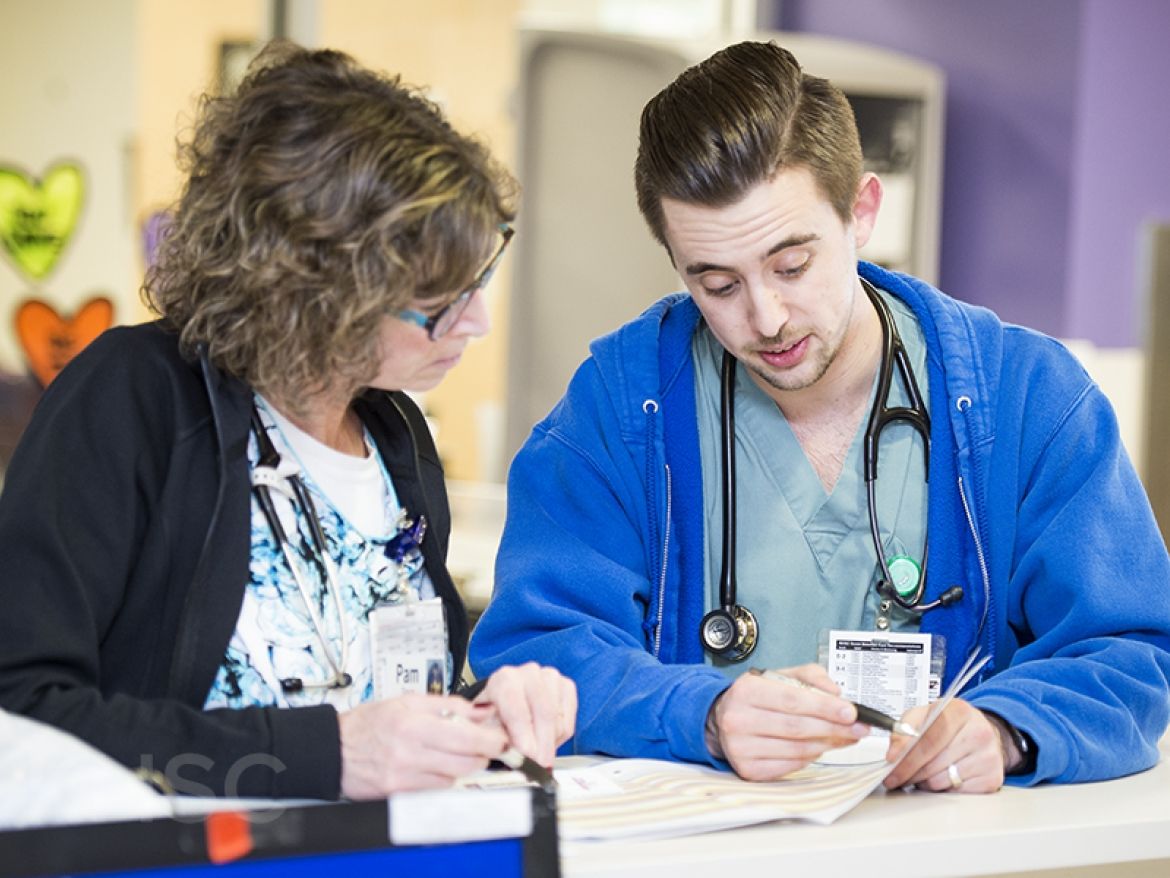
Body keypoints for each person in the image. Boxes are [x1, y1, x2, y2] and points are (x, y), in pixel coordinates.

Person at [470, 40, 1170, 794]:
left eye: (791, 265)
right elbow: (536, 653)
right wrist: (700, 714)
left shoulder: (1026, 398)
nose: (765, 318)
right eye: (716, 283)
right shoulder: (617, 409)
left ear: (861, 211)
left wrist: (1006, 730)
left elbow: (1130, 651)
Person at [0, 40, 575, 801]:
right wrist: (326, 756)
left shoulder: (397, 436)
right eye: (439, 303)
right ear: (313, 285)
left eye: (478, 282)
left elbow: (375, 708)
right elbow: (24, 715)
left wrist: (481, 715)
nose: (475, 326)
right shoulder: (133, 398)